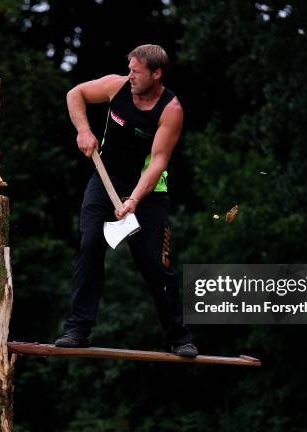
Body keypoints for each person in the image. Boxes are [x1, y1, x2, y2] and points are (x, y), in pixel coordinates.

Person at [55, 44, 197, 357]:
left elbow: (158, 162)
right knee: (91, 244)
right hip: (105, 180)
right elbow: (74, 94)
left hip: (148, 192)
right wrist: (83, 130)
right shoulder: (117, 86)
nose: (130, 75)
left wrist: (133, 200)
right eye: (129, 68)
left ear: (156, 74)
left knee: (153, 265)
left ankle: (179, 336)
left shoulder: (170, 110)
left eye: (137, 71)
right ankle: (77, 329)